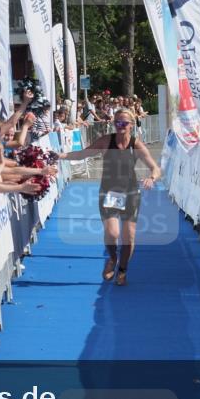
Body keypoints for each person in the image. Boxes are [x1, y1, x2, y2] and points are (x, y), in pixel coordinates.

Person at [60, 108, 161, 286]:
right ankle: (113, 258)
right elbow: (84, 153)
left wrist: (152, 178)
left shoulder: (135, 144)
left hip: (130, 193)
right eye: (117, 123)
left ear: (131, 125)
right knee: (112, 233)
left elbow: (155, 168)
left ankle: (122, 270)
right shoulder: (107, 141)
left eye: (124, 123)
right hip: (109, 193)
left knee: (129, 237)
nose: (120, 126)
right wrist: (60, 156)